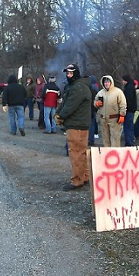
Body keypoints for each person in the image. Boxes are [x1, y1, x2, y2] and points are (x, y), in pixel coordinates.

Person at [55, 63, 92, 191]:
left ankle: (77, 181)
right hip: (81, 124)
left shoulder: (78, 87)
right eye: (67, 73)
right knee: (81, 152)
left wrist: (60, 116)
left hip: (76, 124)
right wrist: (59, 113)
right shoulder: (78, 86)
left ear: (76, 73)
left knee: (75, 152)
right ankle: (84, 177)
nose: (69, 75)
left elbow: (70, 105)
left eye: (71, 73)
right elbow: (66, 102)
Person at [94, 75, 127, 147]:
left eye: (108, 82)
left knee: (115, 138)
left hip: (114, 119)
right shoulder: (100, 93)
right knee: (105, 139)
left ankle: (115, 155)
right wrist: (96, 104)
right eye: (105, 82)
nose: (106, 84)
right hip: (103, 119)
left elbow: (123, 104)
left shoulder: (118, 92)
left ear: (111, 82)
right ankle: (107, 155)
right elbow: (95, 102)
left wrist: (122, 114)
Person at [121, 74, 137, 146]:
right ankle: (130, 141)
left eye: (123, 80)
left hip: (129, 110)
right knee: (129, 126)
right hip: (131, 110)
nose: (122, 81)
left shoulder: (129, 88)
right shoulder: (131, 86)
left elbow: (128, 99)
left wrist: (125, 108)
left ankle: (129, 142)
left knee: (127, 127)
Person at [88, 75, 100, 146]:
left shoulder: (89, 89)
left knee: (90, 125)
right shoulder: (96, 88)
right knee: (93, 124)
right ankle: (93, 136)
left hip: (89, 110)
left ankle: (89, 139)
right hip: (94, 109)